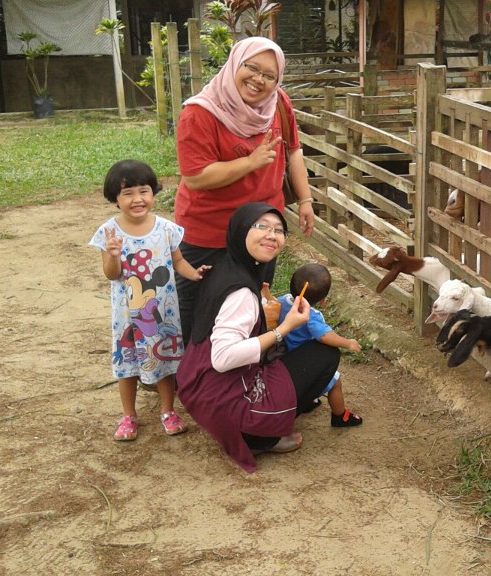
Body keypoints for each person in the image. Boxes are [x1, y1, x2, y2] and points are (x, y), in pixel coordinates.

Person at [177, 203, 342, 473]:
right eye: (261, 226)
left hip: (201, 389)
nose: (271, 235)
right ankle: (263, 437)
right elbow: (223, 358)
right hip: (226, 400)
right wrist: (283, 328)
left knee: (282, 351)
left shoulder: (226, 267)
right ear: (241, 230)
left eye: (278, 230)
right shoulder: (241, 293)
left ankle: (258, 425)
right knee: (324, 355)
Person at [174, 36, 315, 342]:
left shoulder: (278, 102)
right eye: (252, 68)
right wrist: (251, 163)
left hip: (260, 229)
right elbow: (196, 177)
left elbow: (294, 151)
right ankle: (193, 378)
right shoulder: (200, 113)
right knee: (199, 305)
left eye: (269, 75)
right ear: (235, 63)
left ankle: (245, 375)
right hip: (208, 229)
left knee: (253, 301)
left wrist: (305, 199)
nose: (259, 80)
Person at [89, 159, 210, 441]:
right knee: (127, 364)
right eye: (127, 193)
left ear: (153, 193)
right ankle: (129, 416)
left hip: (162, 315)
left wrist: (195, 275)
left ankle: (168, 411)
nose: (137, 199)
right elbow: (111, 275)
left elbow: (178, 262)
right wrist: (113, 255)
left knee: (167, 362)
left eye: (143, 191)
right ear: (115, 199)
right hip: (128, 317)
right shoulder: (110, 233)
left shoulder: (166, 228)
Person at [276, 263, 363, 427]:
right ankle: (340, 416)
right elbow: (324, 336)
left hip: (287, 356)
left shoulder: (282, 301)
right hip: (308, 360)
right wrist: (348, 343)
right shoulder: (311, 316)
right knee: (335, 383)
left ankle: (308, 402)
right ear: (323, 300)